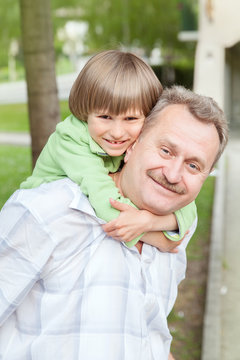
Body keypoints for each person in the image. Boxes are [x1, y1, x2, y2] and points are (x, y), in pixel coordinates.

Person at [0, 86, 228, 359]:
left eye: (193, 166)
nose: (174, 174)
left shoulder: (176, 233)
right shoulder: (48, 211)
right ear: (131, 146)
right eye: (166, 151)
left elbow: (145, 333)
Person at [20, 50, 196, 249]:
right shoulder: (70, 140)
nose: (117, 133)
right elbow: (106, 202)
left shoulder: (138, 143)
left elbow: (185, 203)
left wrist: (149, 221)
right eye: (105, 117)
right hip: (39, 226)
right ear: (86, 111)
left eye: (130, 119)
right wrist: (163, 241)